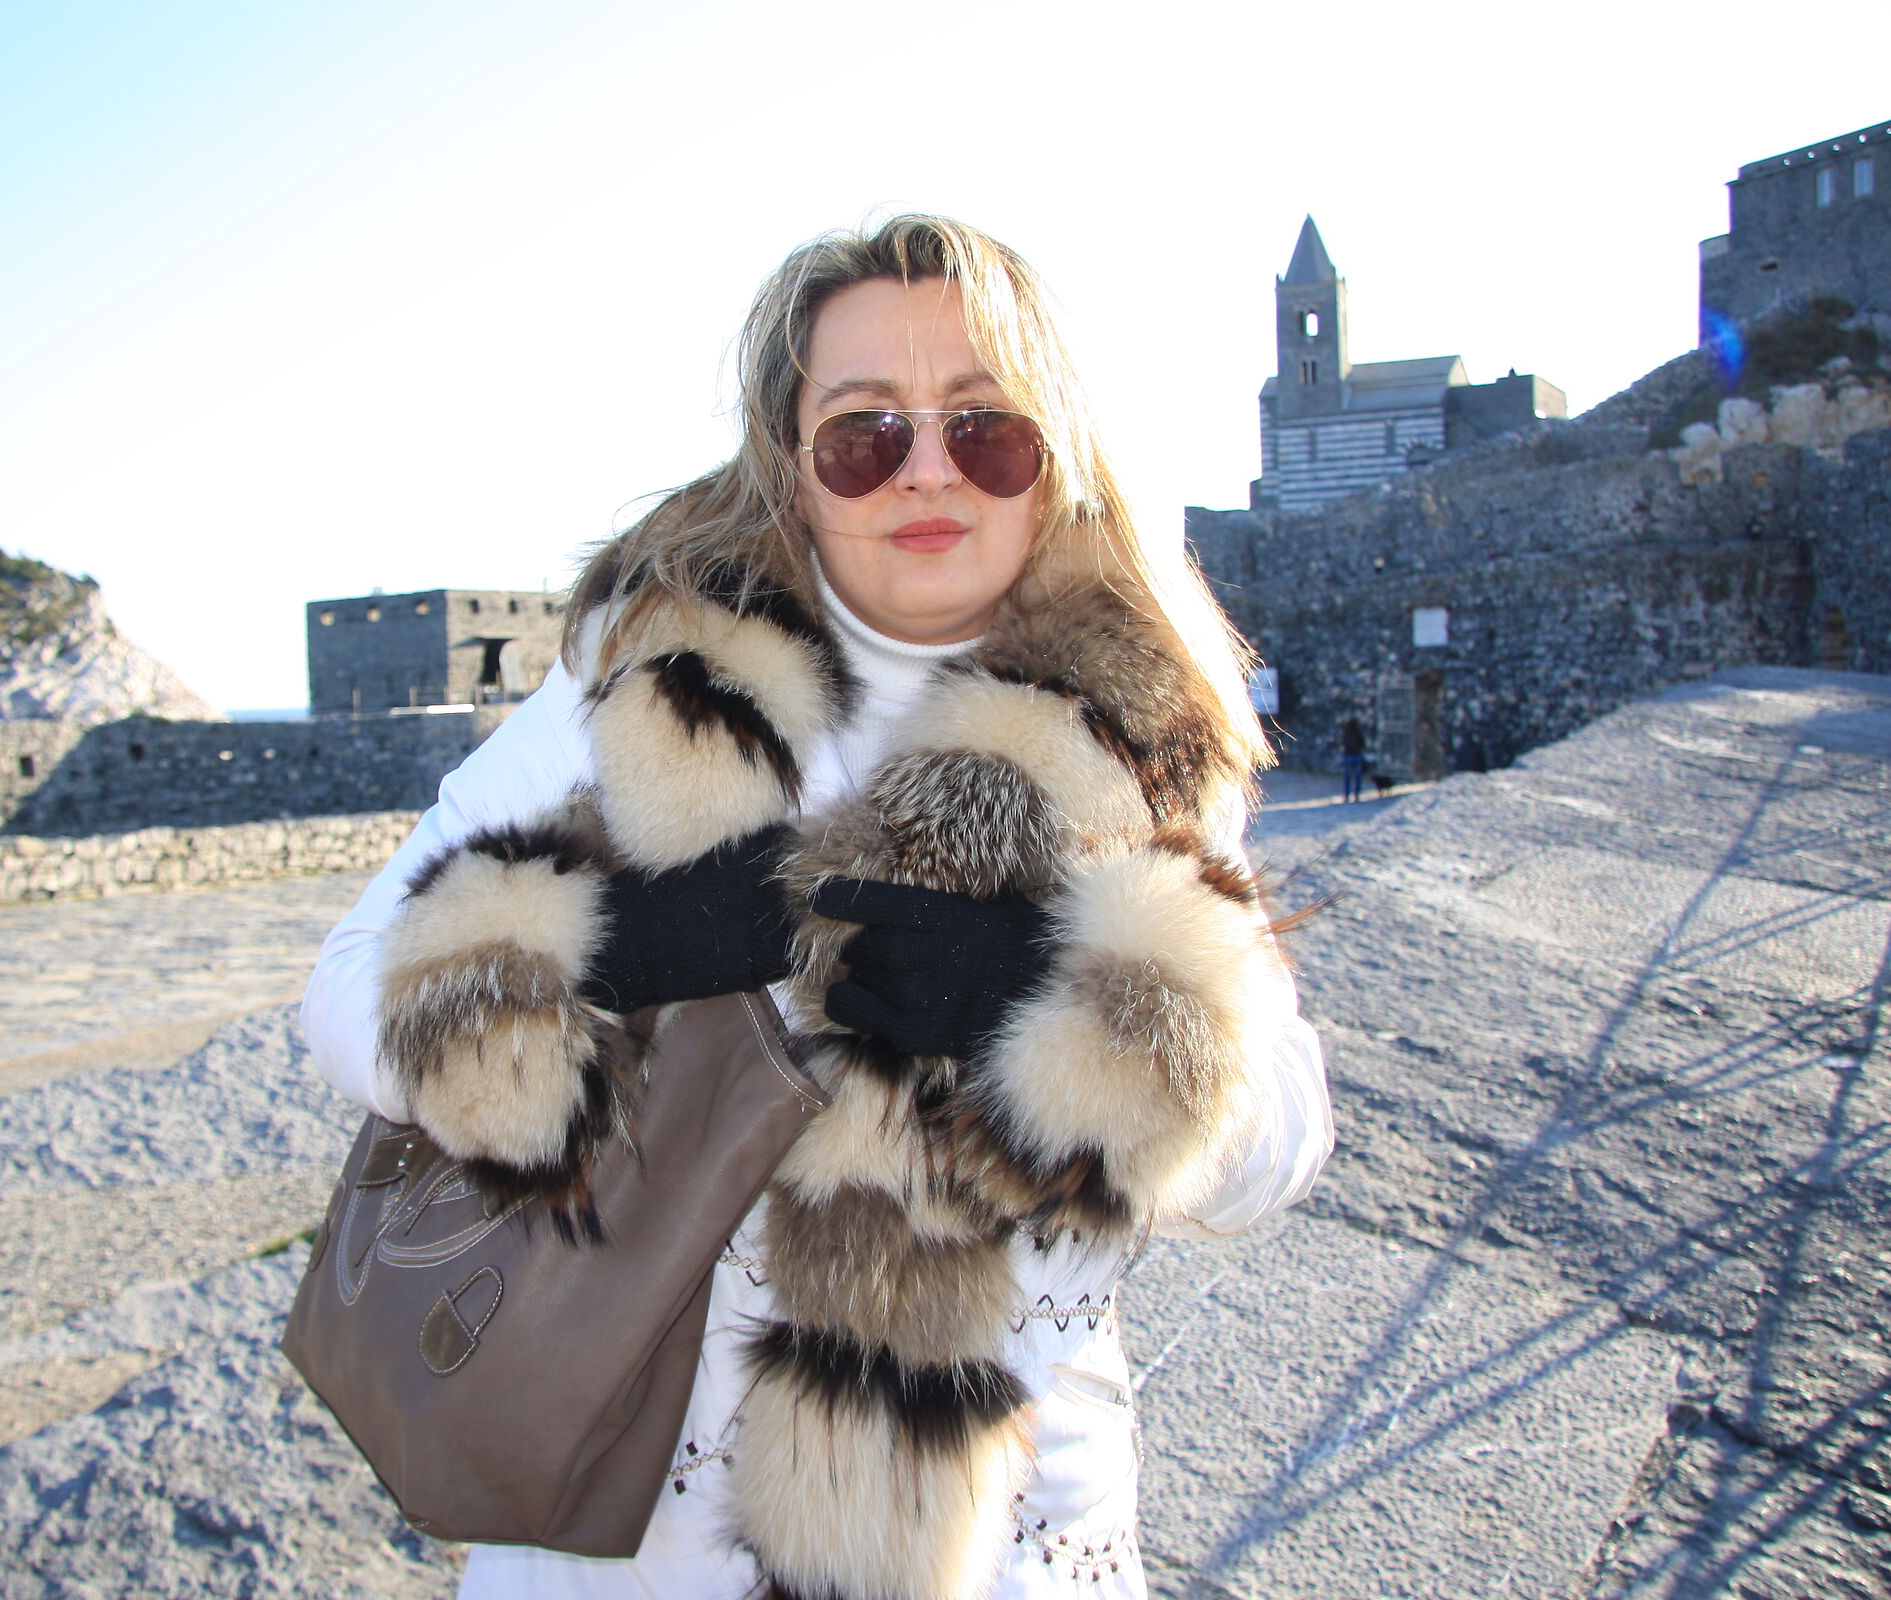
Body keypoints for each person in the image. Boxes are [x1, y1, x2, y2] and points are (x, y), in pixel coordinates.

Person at [303, 216, 1333, 1600]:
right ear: (791, 460)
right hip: (638, 1537)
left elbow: (1282, 1142)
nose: (927, 469)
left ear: (1057, 451)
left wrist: (1069, 1022)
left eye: (986, 429)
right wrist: (611, 955)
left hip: (1006, 1539)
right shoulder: (651, 674)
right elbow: (346, 996)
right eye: (864, 434)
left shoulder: (1143, 733)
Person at [1340, 714, 1368, 803]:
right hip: (1356, 755)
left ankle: (1346, 795)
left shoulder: (1345, 733)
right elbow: (1362, 744)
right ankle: (1356, 794)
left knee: (1347, 777)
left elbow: (1342, 743)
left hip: (1347, 755)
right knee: (1357, 777)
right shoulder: (1358, 733)